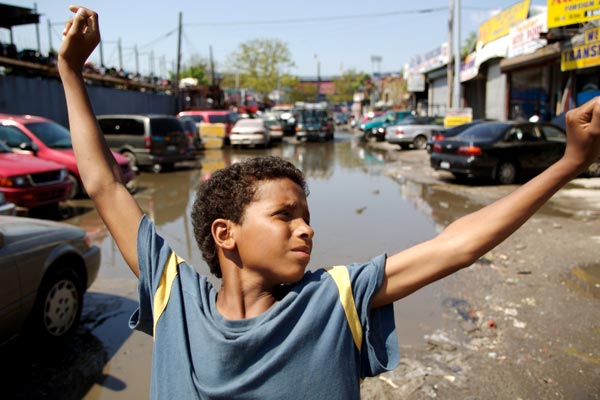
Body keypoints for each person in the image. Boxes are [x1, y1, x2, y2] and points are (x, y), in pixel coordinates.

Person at [58, 6, 600, 400]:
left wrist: (568, 163)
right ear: (226, 234)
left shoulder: (333, 301)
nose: (306, 231)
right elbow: (105, 185)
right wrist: (71, 73)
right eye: (284, 215)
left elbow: (455, 246)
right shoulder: (173, 298)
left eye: (308, 217)